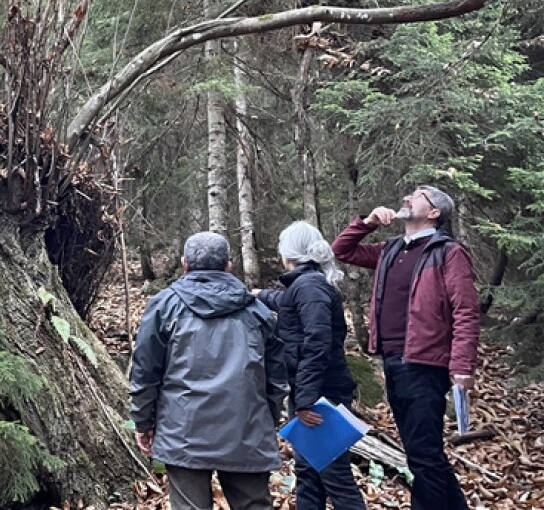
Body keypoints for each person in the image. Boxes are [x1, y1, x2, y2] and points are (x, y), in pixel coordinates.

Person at [331, 185, 479, 510]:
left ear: (435, 212)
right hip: (394, 361)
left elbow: (466, 310)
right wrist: (367, 222)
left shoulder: (448, 252)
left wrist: (462, 366)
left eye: (418, 196)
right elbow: (342, 250)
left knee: (423, 455)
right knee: (422, 454)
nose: (407, 198)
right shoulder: (391, 248)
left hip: (426, 364)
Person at [130, 231, 286, 510]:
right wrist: (268, 419)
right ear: (229, 264)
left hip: (183, 431)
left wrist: (143, 422)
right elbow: (276, 378)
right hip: (246, 429)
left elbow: (145, 373)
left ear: (184, 263)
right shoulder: (258, 311)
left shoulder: (164, 306)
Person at [257, 221, 366, 510]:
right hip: (311, 390)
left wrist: (305, 400)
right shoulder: (306, 285)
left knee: (333, 473)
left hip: (321, 393)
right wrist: (260, 296)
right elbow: (288, 303)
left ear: (289, 251)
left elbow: (317, 344)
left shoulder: (309, 287)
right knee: (308, 471)